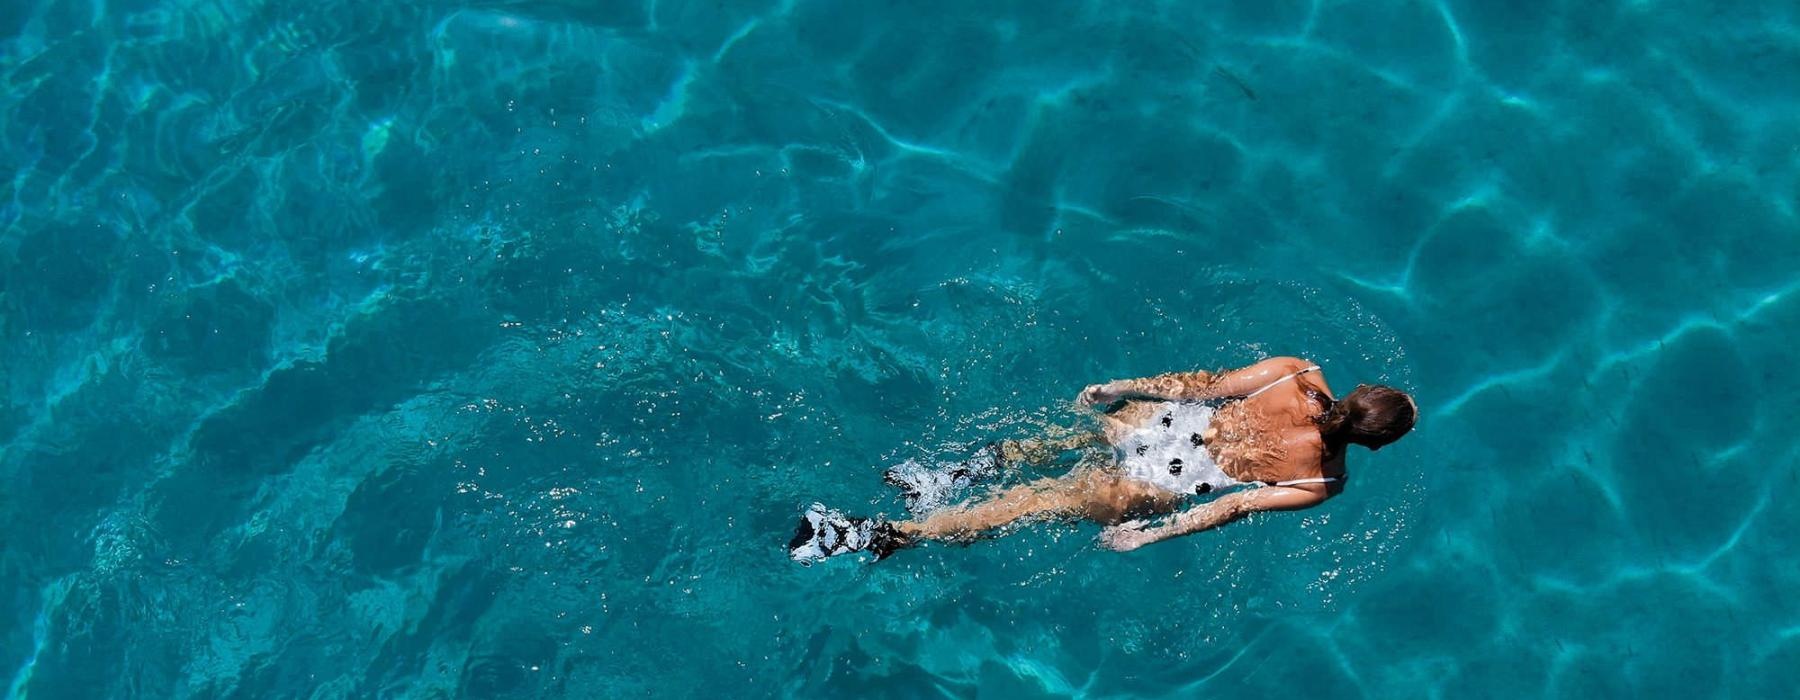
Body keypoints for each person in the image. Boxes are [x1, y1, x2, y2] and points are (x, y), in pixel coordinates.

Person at [786, 357, 1418, 564]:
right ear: (1375, 444)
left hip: (1167, 422)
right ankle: (879, 536)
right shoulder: (1321, 481)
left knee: (1053, 439)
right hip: (1161, 483)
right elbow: (1231, 505)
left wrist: (1123, 389)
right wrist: (1149, 535)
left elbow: (1199, 383)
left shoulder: (1296, 371)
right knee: (1030, 504)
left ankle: (944, 478)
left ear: (1360, 392)